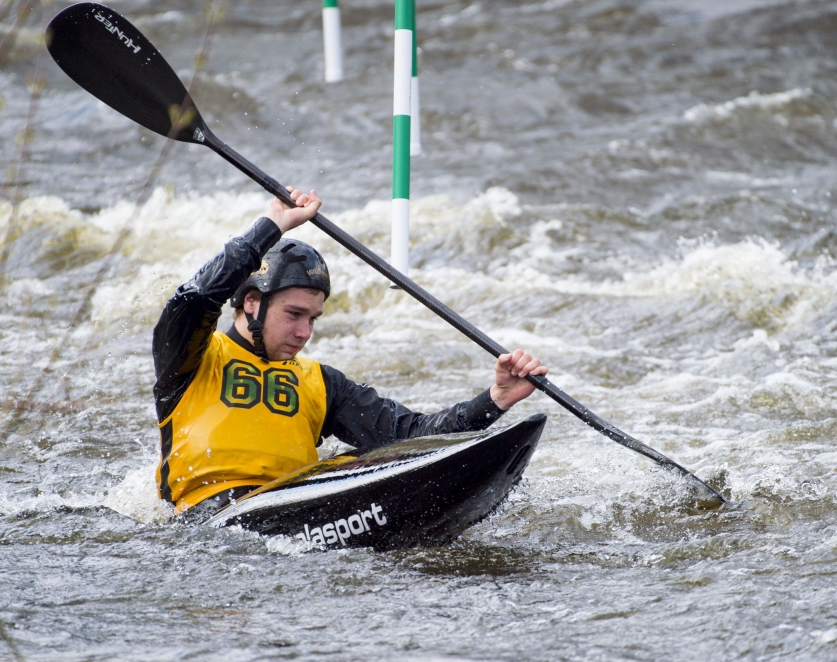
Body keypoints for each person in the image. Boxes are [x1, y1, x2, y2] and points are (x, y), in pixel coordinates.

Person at [152, 187, 547, 519]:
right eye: (294, 315)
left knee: (379, 455)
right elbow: (197, 297)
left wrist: (495, 400)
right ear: (252, 303)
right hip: (212, 519)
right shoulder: (192, 357)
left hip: (294, 500)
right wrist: (269, 227)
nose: (305, 332)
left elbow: (412, 435)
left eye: (313, 318)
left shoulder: (320, 382)